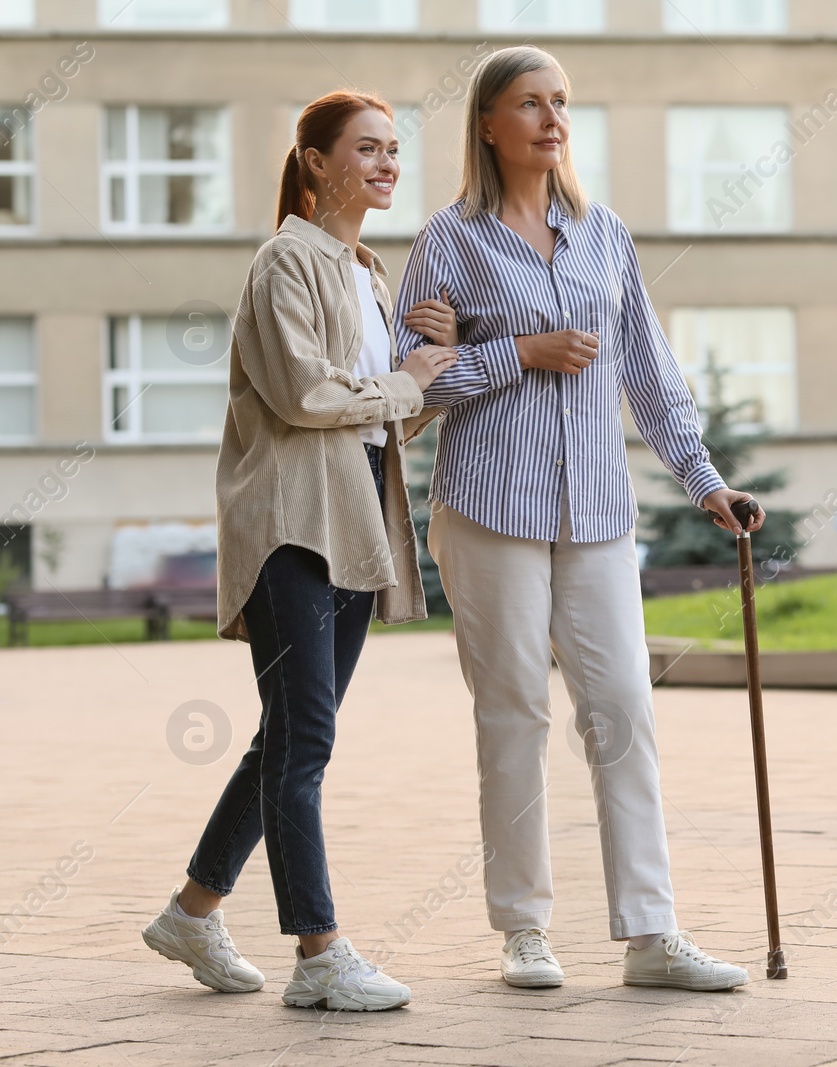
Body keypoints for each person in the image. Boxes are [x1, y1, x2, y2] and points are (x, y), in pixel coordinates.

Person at [394, 45, 761, 992]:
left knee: (623, 712)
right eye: (529, 103)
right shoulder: (448, 240)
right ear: (487, 123)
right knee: (513, 712)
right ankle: (524, 929)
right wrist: (522, 352)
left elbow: (649, 368)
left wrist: (705, 479)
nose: (552, 119)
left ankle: (651, 933)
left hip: (597, 510)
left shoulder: (606, 235)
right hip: (490, 510)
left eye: (561, 102)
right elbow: (408, 390)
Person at [141, 90, 460, 1012]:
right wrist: (405, 379)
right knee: (305, 740)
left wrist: (431, 370)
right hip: (289, 521)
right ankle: (319, 953)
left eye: (395, 150)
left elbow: (381, 414)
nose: (387, 164)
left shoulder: (369, 269)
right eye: (367, 148)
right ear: (315, 161)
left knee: (291, 736)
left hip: (356, 519)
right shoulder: (289, 259)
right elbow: (305, 397)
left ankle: (193, 911)